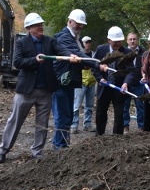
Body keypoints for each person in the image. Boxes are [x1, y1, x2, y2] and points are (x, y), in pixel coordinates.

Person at [0, 13, 78, 163]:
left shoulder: (50, 41)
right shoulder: (22, 43)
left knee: (42, 124)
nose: (40, 27)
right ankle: (3, 150)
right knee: (14, 121)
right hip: (25, 91)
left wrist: (70, 56)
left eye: (41, 24)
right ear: (28, 28)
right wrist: (34, 60)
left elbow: (61, 50)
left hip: (45, 91)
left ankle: (37, 152)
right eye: (36, 25)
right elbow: (18, 62)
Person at [52, 9, 108, 150]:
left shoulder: (74, 38)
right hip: (60, 82)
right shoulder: (65, 37)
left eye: (82, 24)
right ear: (70, 21)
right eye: (78, 23)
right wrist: (97, 63)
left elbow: (77, 60)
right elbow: (76, 54)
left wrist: (85, 65)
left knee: (68, 115)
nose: (80, 26)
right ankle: (59, 147)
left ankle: (62, 145)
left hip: (68, 82)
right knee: (63, 116)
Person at [93, 26, 135, 135]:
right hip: (104, 87)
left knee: (119, 114)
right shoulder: (100, 50)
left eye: (119, 41)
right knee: (100, 113)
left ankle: (116, 138)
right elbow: (95, 67)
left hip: (119, 88)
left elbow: (130, 71)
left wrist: (126, 83)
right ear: (108, 40)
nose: (117, 44)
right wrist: (100, 78)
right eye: (115, 42)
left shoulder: (127, 52)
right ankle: (99, 136)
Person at [70, 36, 97, 134]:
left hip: (91, 82)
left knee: (89, 106)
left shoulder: (94, 54)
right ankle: (74, 125)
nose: (88, 44)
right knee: (76, 105)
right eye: (86, 42)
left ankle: (87, 124)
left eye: (89, 42)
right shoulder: (78, 55)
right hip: (80, 82)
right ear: (82, 43)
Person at [123, 32, 145, 133]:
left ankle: (141, 126)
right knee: (125, 105)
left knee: (140, 105)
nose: (132, 41)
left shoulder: (143, 52)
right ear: (127, 41)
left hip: (139, 83)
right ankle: (125, 126)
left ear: (137, 40)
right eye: (130, 39)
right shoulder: (123, 52)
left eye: (134, 39)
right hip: (126, 83)